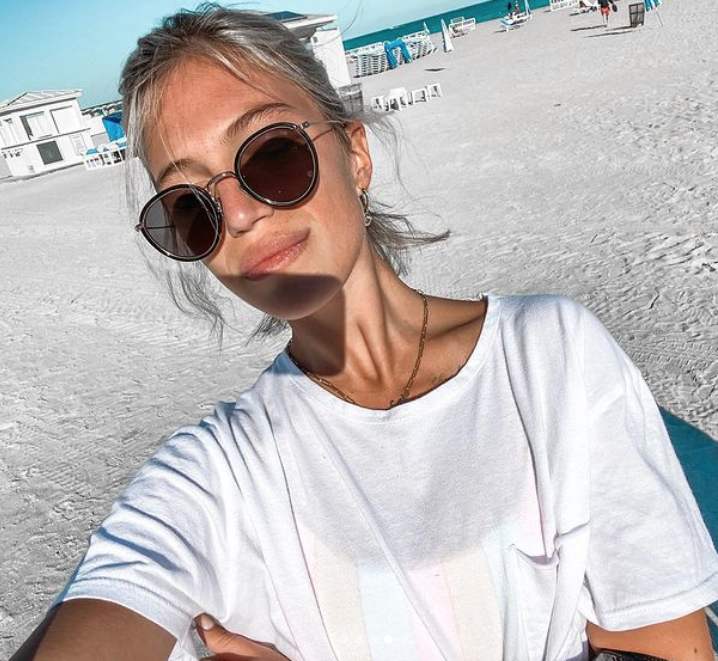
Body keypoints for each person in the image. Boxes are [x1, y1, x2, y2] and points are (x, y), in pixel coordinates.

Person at [12, 5, 718, 661]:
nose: (241, 215)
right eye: (191, 204)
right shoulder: (217, 473)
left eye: (270, 155)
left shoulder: (548, 355)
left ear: (355, 154)